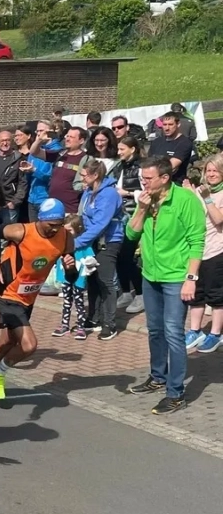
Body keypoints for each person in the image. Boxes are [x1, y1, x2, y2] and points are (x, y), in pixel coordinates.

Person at [0, 198, 74, 401]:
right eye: (51, 225)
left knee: (7, 342)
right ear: (41, 219)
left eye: (59, 225)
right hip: (7, 292)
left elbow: (72, 277)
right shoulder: (21, 231)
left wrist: (71, 267)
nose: (55, 229)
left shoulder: (65, 237)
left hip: (28, 296)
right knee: (28, 345)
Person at [124, 156, 205, 414]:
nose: (143, 183)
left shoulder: (184, 200)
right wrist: (141, 209)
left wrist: (190, 279)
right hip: (151, 275)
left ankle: (176, 392)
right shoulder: (147, 200)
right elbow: (131, 233)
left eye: (148, 179)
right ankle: (158, 377)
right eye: (142, 178)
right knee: (155, 330)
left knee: (173, 333)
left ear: (164, 178)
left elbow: (197, 242)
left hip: (176, 277)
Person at [75, 158, 125, 340]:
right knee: (93, 279)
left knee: (106, 281)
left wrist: (77, 242)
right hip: (92, 241)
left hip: (108, 241)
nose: (81, 178)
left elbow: (101, 223)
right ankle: (94, 317)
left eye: (84, 175)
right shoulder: (88, 191)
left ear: (95, 175)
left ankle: (109, 324)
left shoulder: (109, 194)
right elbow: (85, 218)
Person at [186, 154, 223, 354]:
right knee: (196, 294)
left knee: (216, 295)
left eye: (215, 171)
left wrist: (208, 197)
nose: (211, 174)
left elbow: (218, 219)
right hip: (199, 250)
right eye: (208, 170)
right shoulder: (200, 191)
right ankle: (194, 330)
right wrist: (191, 194)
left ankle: (216, 333)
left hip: (218, 250)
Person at [113, 135, 145, 313]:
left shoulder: (141, 167)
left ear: (132, 149)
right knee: (118, 253)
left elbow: (148, 191)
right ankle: (126, 292)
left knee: (130, 256)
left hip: (135, 215)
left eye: (122, 149)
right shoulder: (120, 166)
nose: (118, 153)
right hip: (120, 215)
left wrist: (127, 193)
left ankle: (140, 295)